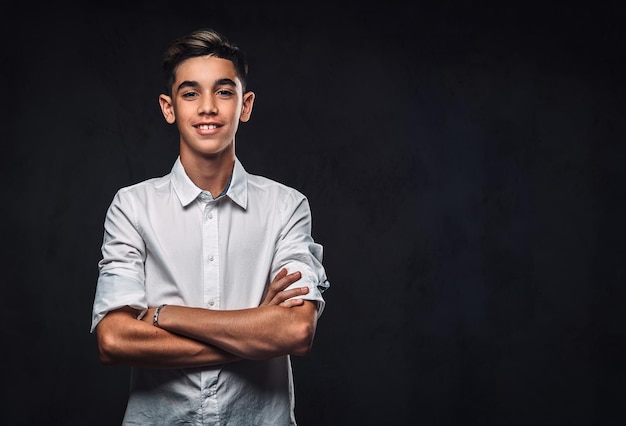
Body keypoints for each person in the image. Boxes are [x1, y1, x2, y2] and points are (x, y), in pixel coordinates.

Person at [90, 27, 330, 425]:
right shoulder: (132, 207)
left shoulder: (286, 207)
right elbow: (114, 339)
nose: (207, 107)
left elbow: (296, 330)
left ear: (245, 104)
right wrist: (254, 333)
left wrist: (164, 314)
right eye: (190, 93)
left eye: (223, 91)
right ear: (169, 108)